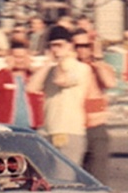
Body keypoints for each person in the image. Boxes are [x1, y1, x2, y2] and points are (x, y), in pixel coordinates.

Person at [27, 25, 92, 164]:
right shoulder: (50, 69)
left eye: (59, 45)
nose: (55, 49)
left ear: (69, 46)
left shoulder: (81, 68)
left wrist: (61, 59)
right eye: (52, 46)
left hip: (69, 131)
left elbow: (61, 80)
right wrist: (48, 63)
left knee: (65, 177)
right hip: (47, 130)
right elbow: (31, 88)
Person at [74, 28, 117, 183]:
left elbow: (110, 82)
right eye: (77, 46)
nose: (81, 50)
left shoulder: (100, 66)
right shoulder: (68, 67)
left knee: (98, 177)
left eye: (85, 45)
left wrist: (97, 59)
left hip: (95, 126)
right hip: (73, 126)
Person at [0, 40, 44, 129]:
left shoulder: (34, 77)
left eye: (23, 57)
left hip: (32, 126)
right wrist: (7, 68)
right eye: (16, 57)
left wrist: (33, 70)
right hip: (7, 125)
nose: (20, 60)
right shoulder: (3, 74)